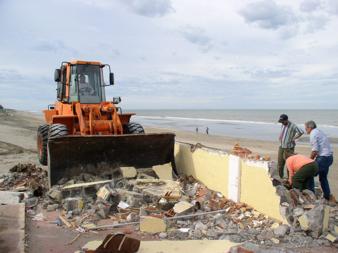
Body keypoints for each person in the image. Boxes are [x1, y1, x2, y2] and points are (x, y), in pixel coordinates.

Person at [305, 120, 334, 201]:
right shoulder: (319, 132)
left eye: (306, 128)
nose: (305, 130)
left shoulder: (313, 133)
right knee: (323, 178)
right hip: (329, 157)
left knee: (309, 173)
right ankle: (327, 196)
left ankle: (311, 196)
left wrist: (308, 161)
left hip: (323, 158)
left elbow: (315, 150)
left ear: (310, 127)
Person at [277, 114, 304, 179]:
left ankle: (290, 180)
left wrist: (293, 138)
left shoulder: (293, 125)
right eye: (281, 122)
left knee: (289, 165)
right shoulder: (282, 125)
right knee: (280, 164)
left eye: (283, 121)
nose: (282, 123)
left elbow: (301, 132)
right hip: (281, 146)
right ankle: (280, 178)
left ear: (286, 120)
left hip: (289, 148)